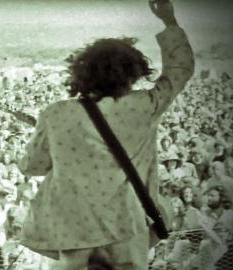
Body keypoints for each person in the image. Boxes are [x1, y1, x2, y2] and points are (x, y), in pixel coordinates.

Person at [17, 0, 194, 269]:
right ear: (134, 72)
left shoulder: (56, 113)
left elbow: (33, 166)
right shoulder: (144, 105)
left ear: (81, 73)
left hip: (73, 231)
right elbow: (179, 71)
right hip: (127, 225)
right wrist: (169, 22)